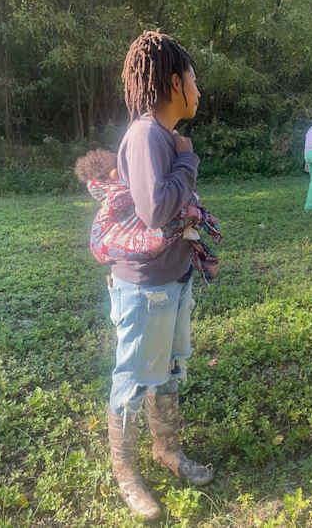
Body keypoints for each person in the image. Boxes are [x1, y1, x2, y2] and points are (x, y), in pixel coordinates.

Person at [104, 30, 213, 521]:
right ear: (174, 81)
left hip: (172, 278)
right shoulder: (148, 133)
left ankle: (166, 450)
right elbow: (154, 209)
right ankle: (125, 471)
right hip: (145, 288)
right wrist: (187, 160)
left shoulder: (161, 134)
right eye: (194, 79)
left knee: (167, 369)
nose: (199, 88)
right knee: (132, 378)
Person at [75, 149, 221, 282]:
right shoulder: (124, 193)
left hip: (152, 273)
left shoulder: (108, 197)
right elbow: (174, 208)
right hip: (149, 277)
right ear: (114, 173)